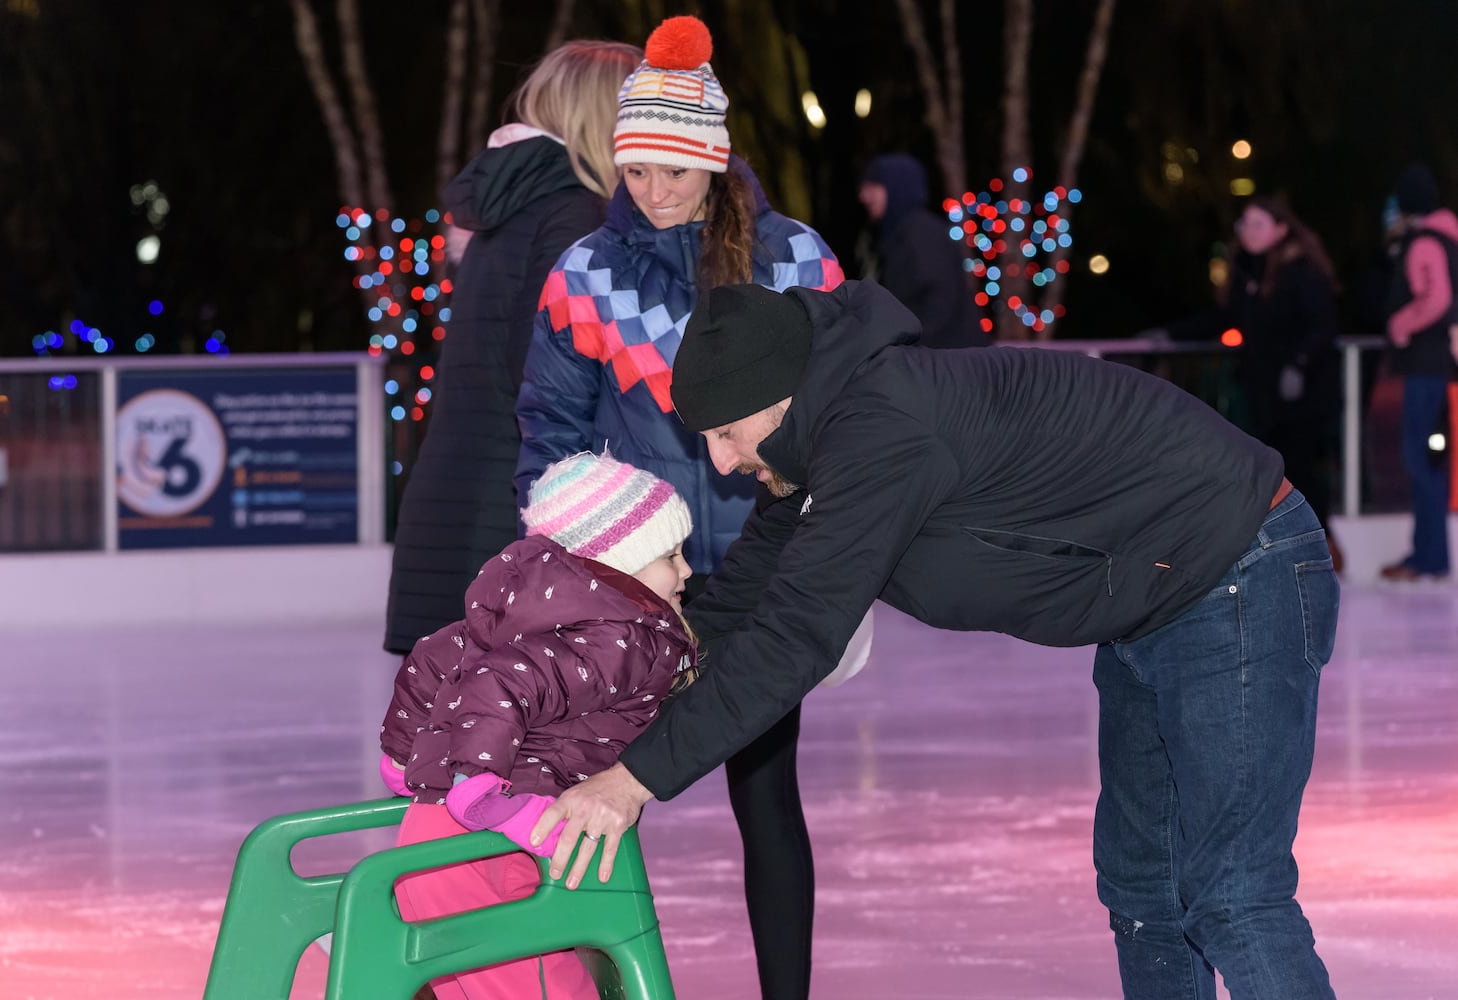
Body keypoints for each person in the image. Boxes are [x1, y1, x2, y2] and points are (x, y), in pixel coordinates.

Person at [536, 280, 1342, 1000]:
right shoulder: (823, 445)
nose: (720, 462)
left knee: (1234, 891)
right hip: (1156, 602)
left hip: (1239, 568)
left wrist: (636, 781)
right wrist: (600, 708)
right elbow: (736, 607)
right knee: (1142, 891)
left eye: (726, 433)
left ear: (779, 396)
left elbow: (795, 637)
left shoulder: (880, 431)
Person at [514, 15, 843, 999]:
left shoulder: (791, 263)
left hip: (763, 577)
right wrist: (567, 573)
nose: (652, 193)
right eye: (636, 171)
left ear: (714, 162)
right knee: (603, 803)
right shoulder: (586, 274)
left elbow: (850, 407)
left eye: (674, 172)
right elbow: (550, 437)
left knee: (765, 794)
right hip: (636, 587)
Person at [378, 451, 697, 1000]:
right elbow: (499, 685)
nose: (687, 570)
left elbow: (433, 657)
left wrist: (402, 758)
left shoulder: (526, 618)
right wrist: (482, 786)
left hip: (433, 836)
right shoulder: (619, 640)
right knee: (536, 981)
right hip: (498, 830)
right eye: (670, 555)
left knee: (472, 981)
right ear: (619, 563)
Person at [383, 40, 643, 654]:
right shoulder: (575, 214)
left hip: (474, 496)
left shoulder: (520, 207)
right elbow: (552, 377)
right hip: (516, 512)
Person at [1221, 197, 1344, 569]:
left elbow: (1324, 326)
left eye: (1257, 224)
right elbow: (1230, 319)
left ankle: (1325, 549)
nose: (1248, 232)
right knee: (1273, 473)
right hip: (1268, 396)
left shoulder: (1300, 271)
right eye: (1244, 224)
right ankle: (1287, 549)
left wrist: (1298, 365)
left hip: (1301, 397)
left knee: (1301, 471)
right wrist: (1168, 334)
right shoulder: (1254, 270)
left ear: (1281, 228)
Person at [1379, 161, 1457, 583]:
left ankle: (1428, 558)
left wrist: (1399, 324)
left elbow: (1437, 297)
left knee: (1421, 460)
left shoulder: (1424, 243)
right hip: (1440, 366)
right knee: (1431, 459)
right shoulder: (1448, 239)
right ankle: (1430, 555)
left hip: (1426, 367)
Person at [857, 153, 987, 348]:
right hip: (934, 361)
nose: (864, 196)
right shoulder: (894, 236)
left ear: (897, 188)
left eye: (873, 186)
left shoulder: (922, 233)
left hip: (949, 362)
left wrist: (906, 345)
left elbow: (939, 301)